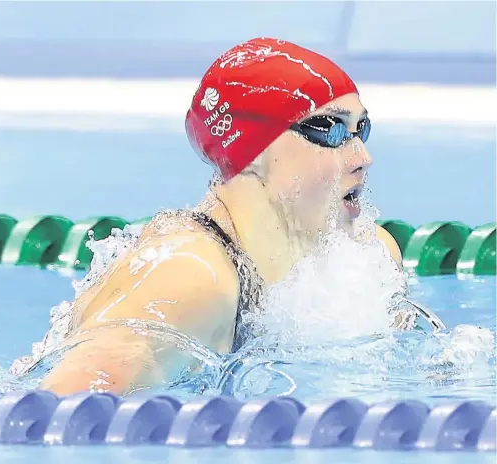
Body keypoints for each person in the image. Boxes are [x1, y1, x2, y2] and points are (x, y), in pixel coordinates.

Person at [39, 37, 411, 396]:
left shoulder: (369, 257)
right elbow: (55, 415)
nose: (362, 157)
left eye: (361, 129)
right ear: (251, 152)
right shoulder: (190, 276)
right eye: (330, 131)